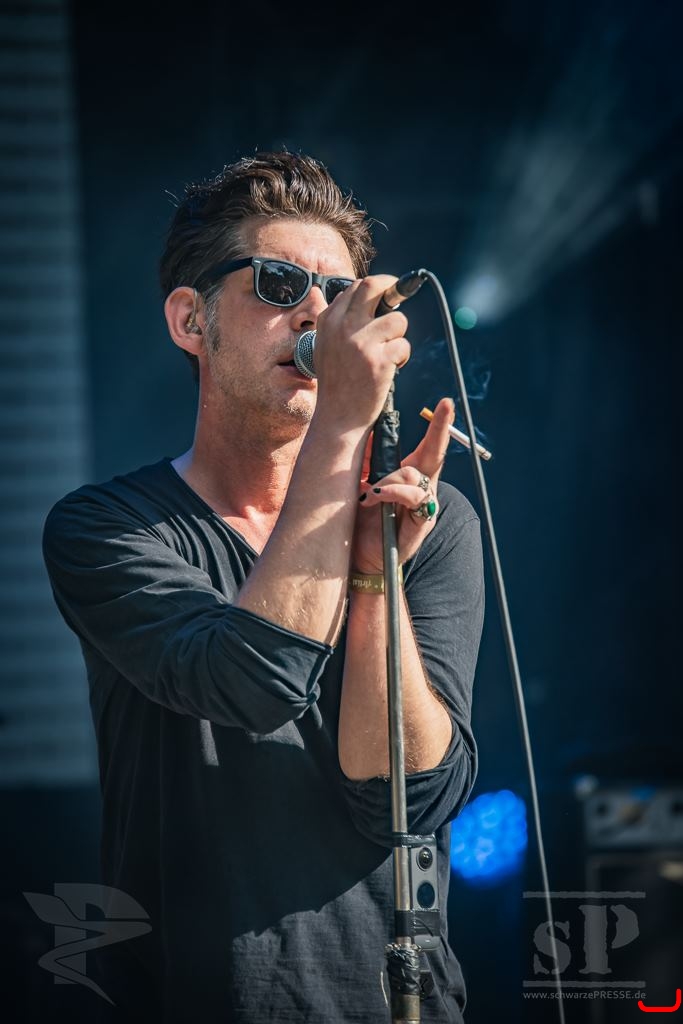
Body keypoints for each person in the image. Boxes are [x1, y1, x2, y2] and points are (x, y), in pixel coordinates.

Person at [43, 151, 484, 1023]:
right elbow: (253, 682)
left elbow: (406, 796)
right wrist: (344, 423)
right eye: (280, 285)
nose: (318, 314)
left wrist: (375, 574)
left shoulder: (427, 519)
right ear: (190, 320)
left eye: (342, 294)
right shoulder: (108, 527)